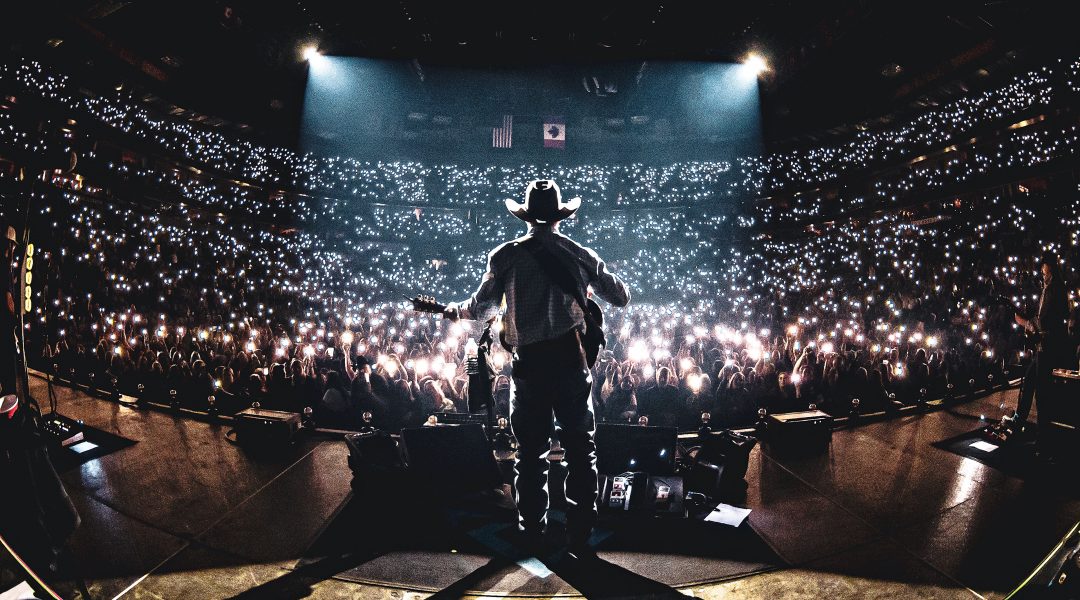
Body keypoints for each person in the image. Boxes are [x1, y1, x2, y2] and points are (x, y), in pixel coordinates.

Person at [439, 180, 630, 556]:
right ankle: (580, 532)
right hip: (571, 364)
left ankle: (531, 532)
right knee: (580, 449)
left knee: (529, 455)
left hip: (528, 367)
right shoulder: (579, 254)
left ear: (525, 216)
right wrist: (587, 285)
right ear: (560, 216)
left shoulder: (504, 256)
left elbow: (480, 309)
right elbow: (621, 297)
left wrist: (452, 310)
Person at [1006, 251, 1071, 458]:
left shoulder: (1053, 290)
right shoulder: (1051, 288)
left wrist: (1024, 323)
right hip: (1044, 347)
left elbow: (1045, 322)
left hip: (1047, 348)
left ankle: (1043, 442)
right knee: (1029, 381)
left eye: (1044, 270)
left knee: (1042, 394)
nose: (1042, 274)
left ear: (1049, 268)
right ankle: (1019, 421)